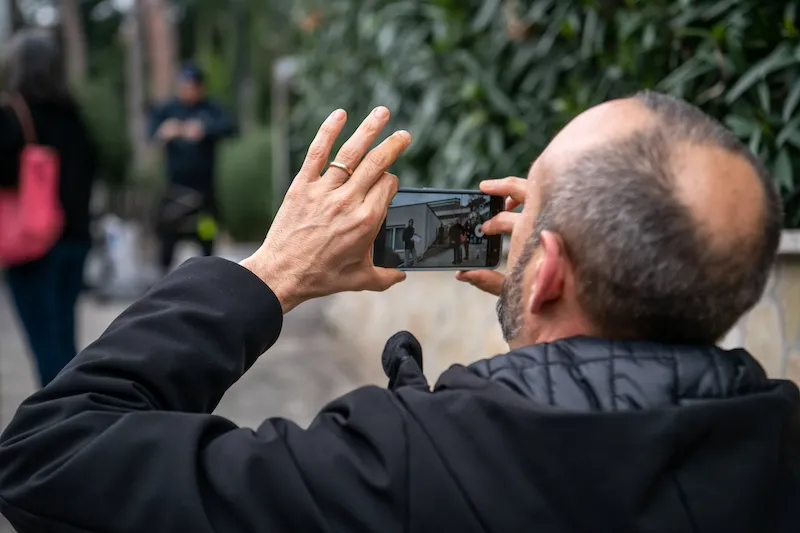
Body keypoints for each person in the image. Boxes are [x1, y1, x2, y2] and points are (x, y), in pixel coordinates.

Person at [1, 94, 799, 533]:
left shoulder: (398, 469)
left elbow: (46, 456)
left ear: (547, 269)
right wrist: (549, 301)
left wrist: (271, 275)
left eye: (535, 197)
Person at [0, 30, 97, 387]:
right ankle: (77, 418)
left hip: (32, 245)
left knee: (45, 348)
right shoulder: (74, 116)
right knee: (63, 341)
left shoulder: (12, 115)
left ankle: (62, 431)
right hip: (74, 240)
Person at [149, 62, 237, 274]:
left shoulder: (210, 108)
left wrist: (204, 130)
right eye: (184, 86)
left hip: (204, 191)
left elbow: (232, 127)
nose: (188, 91)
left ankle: (208, 274)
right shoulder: (168, 109)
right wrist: (165, 132)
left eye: (193, 86)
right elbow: (151, 134)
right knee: (168, 233)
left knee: (206, 232)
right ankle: (162, 276)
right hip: (175, 190)